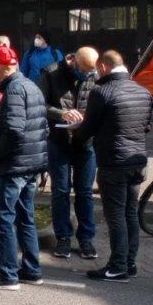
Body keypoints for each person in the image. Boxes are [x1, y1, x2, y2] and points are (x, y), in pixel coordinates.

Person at [73, 51, 153, 283]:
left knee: (116, 214)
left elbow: (87, 130)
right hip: (138, 161)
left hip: (113, 162)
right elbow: (146, 126)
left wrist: (76, 132)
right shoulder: (143, 91)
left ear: (104, 67)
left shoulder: (102, 92)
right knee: (131, 213)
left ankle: (117, 267)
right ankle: (129, 263)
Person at [0, 45, 48, 291]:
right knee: (25, 218)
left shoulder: (14, 89)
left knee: (2, 219)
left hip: (16, 165)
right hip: (31, 163)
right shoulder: (30, 85)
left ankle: (7, 274)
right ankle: (32, 270)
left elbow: (15, 130)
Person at [38, 47, 100, 260]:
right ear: (73, 60)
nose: (86, 75)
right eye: (83, 70)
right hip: (59, 142)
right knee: (61, 192)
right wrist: (61, 113)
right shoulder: (51, 73)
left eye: (90, 72)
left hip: (85, 143)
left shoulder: (94, 74)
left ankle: (86, 239)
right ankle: (63, 238)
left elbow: (101, 103)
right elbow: (40, 104)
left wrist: (88, 117)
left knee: (85, 193)